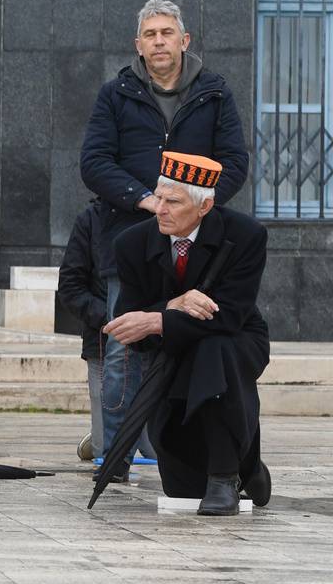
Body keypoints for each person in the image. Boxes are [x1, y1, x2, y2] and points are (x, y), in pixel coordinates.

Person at [79, 0, 248, 475]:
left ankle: (193, 453)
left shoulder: (214, 93)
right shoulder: (115, 94)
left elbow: (234, 162)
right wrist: (148, 200)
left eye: (167, 33)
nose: (159, 41)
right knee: (122, 353)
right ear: (138, 44)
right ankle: (114, 457)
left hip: (199, 248)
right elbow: (94, 162)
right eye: (150, 34)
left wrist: (194, 208)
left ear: (184, 40)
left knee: (201, 341)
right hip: (129, 241)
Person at [106, 153, 270, 516]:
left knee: (215, 349)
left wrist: (158, 320)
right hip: (174, 349)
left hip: (238, 338)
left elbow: (229, 315)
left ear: (205, 206)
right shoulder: (131, 244)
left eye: (173, 202)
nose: (159, 209)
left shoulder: (245, 235)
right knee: (181, 485)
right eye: (158, 197)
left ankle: (225, 477)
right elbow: (131, 324)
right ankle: (248, 466)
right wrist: (171, 306)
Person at [56, 200, 110, 463]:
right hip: (103, 335)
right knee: (106, 445)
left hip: (156, 338)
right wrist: (109, 317)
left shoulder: (166, 214)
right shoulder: (92, 219)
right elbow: (71, 285)